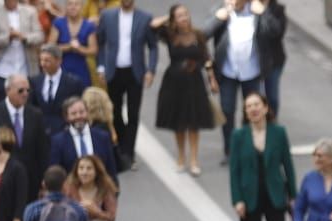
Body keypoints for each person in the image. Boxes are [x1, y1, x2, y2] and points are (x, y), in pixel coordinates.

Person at [228, 91, 294, 221]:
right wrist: (237, 199)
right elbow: (234, 170)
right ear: (246, 112)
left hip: (274, 195)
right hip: (249, 198)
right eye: (249, 106)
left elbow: (288, 165)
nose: (253, 109)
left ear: (266, 108)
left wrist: (293, 195)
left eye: (257, 105)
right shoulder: (239, 136)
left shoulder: (278, 132)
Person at [204, 0, 278, 160]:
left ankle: (248, 148)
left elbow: (274, 32)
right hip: (228, 72)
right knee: (227, 110)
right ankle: (230, 151)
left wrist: (263, 12)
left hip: (251, 72)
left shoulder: (256, 10)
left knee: (251, 111)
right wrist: (218, 18)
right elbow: (203, 34)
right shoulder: (221, 10)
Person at [147, 3, 212, 174]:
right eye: (179, 16)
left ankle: (194, 159)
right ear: (174, 20)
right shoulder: (170, 35)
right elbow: (153, 25)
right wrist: (168, 19)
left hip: (194, 81)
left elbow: (206, 57)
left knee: (194, 121)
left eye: (185, 14)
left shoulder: (198, 34)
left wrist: (212, 79)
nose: (184, 18)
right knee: (179, 122)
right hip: (174, 81)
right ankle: (181, 157)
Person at [95, 0, 158, 172]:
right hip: (113, 71)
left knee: (133, 113)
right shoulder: (107, 16)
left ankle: (129, 154)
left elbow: (153, 46)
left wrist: (150, 70)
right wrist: (100, 66)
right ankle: (122, 146)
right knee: (114, 112)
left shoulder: (144, 17)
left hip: (135, 72)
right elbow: (99, 42)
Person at [0, 74, 46, 205]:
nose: (25, 94)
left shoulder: (36, 115)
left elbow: (42, 150)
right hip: (0, 182)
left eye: (28, 90)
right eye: (20, 90)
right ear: (8, 90)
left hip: (30, 182)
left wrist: (42, 180)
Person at [46, 0, 96, 86]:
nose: (73, 7)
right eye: (70, 4)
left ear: (82, 7)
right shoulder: (58, 23)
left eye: (77, 4)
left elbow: (93, 50)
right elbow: (50, 48)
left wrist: (79, 48)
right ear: (66, 6)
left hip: (82, 69)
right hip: (61, 68)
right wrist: (69, 47)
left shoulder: (89, 25)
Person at [63, 151, 116, 221]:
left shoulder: (105, 189)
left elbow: (111, 217)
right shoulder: (69, 188)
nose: (84, 172)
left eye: (89, 168)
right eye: (81, 168)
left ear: (96, 171)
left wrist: (96, 211)